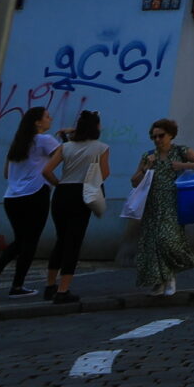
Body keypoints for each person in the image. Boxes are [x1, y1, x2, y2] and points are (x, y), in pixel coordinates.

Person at [129, 119, 194, 296]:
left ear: (171, 135)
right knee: (152, 244)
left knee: (167, 240)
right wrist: (146, 168)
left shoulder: (181, 151)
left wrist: (184, 166)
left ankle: (170, 275)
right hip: (152, 204)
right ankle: (159, 282)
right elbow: (134, 182)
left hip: (173, 202)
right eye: (154, 136)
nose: (157, 140)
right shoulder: (148, 156)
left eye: (161, 136)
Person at [44, 110, 110, 304]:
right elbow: (105, 173)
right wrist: (91, 182)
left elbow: (46, 170)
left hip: (62, 192)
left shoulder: (66, 147)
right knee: (74, 241)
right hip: (82, 192)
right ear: (96, 127)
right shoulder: (101, 148)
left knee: (61, 239)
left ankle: (50, 285)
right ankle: (63, 290)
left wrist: (58, 183)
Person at [0, 106, 56, 297]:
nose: (50, 119)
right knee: (30, 242)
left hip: (12, 197)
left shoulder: (18, 144)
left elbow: (6, 172)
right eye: (47, 116)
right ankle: (17, 285)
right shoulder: (44, 140)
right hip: (35, 194)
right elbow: (63, 156)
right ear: (37, 122)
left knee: (21, 240)